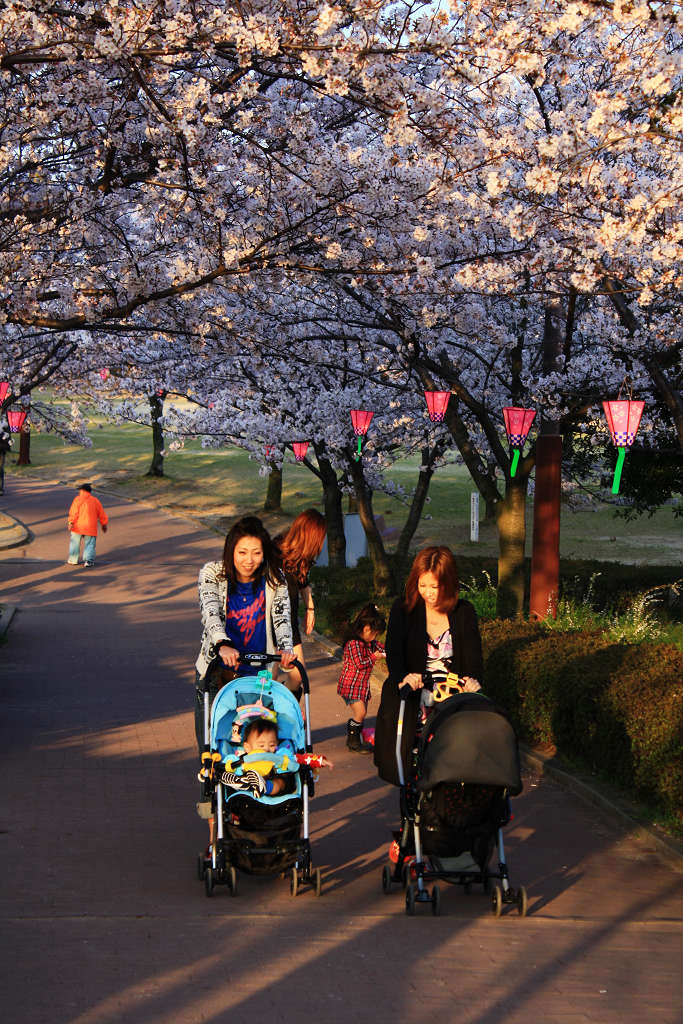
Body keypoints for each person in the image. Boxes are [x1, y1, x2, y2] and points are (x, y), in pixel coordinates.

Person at [373, 546, 484, 785]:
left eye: (435, 587)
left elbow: (474, 657)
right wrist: (403, 677)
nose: (428, 593)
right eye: (422, 586)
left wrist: (472, 680)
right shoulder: (404, 610)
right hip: (414, 699)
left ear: (449, 583)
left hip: (450, 701)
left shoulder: (463, 612)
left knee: (455, 766)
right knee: (410, 767)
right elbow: (394, 652)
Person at [194, 515, 295, 752]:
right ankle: (211, 788)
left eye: (256, 553)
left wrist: (285, 648)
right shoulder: (212, 573)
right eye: (242, 552)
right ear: (231, 551)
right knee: (213, 748)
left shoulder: (275, 578)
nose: (249, 561)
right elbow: (211, 613)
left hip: (259, 675)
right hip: (217, 671)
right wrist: (223, 644)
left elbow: (282, 618)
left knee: (255, 744)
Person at [273, 508, 327, 694]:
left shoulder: (303, 557)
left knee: (297, 677)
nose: (320, 545)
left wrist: (310, 608)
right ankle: (261, 717)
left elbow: (304, 583)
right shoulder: (276, 550)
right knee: (266, 681)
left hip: (290, 624)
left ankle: (277, 711)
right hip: (269, 623)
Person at [337, 603, 386, 752]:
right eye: (374, 633)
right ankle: (353, 742)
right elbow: (359, 663)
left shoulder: (369, 643)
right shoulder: (354, 644)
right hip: (351, 686)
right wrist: (374, 657)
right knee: (361, 712)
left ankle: (356, 737)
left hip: (360, 686)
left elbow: (381, 647)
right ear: (366, 629)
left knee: (362, 712)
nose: (375, 637)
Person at [66, 483, 108, 567]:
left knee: (75, 543)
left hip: (77, 526)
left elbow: (73, 512)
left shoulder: (77, 499)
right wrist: (104, 524)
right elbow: (101, 514)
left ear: (82, 491)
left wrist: (71, 522)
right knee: (90, 544)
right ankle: (88, 561)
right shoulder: (95, 500)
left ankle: (73, 559)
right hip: (90, 527)